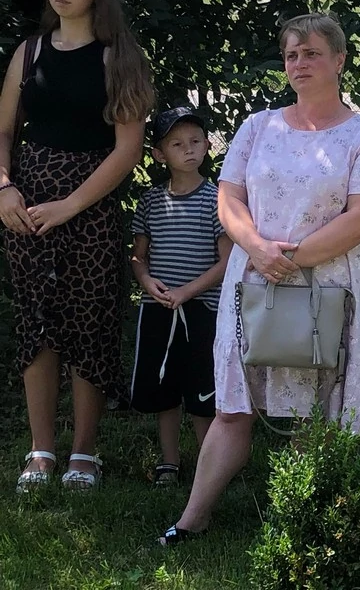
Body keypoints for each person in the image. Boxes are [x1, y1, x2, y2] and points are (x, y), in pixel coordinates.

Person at [158, 13, 360, 545]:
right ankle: (192, 519)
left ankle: (303, 525)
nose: (299, 63)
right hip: (253, 285)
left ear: (339, 59)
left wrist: (292, 259)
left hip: (324, 290)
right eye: (291, 55)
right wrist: (257, 249)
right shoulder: (257, 127)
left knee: (311, 414)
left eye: (311, 53)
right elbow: (228, 198)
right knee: (232, 409)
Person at [0, 0, 154, 493]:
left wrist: (70, 205)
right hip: (27, 210)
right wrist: (4, 189)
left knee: (91, 325)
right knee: (36, 325)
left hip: (89, 210)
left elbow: (127, 150)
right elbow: (3, 132)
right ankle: (40, 451)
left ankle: (84, 454)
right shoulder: (29, 53)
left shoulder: (121, 57)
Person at [130, 107, 232, 487]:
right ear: (159, 154)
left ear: (207, 146)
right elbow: (139, 257)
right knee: (165, 390)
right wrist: (146, 281)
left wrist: (187, 292)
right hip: (158, 310)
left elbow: (227, 262)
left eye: (195, 141)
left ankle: (209, 466)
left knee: (203, 390)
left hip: (203, 310)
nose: (188, 149)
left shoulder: (218, 200)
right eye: (176, 144)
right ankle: (169, 462)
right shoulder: (150, 202)